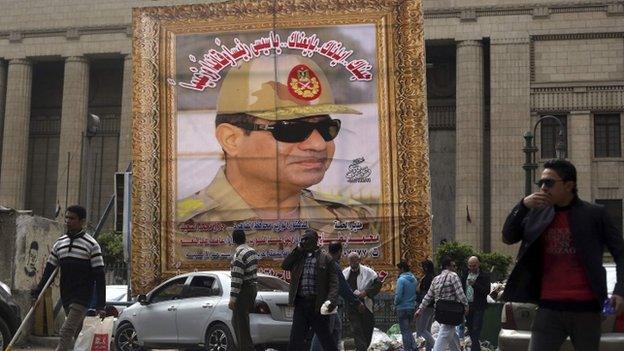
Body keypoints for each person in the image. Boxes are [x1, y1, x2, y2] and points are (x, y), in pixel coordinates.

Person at [176, 55, 374, 229]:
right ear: (232, 140)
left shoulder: (353, 219)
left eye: (327, 129)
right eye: (291, 129)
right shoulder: (176, 230)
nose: (319, 144)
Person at [502, 159, 624, 351]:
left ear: (569, 185)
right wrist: (523, 205)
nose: (543, 188)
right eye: (541, 183)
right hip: (549, 308)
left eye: (549, 183)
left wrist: (619, 290)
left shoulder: (595, 215)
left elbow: (621, 254)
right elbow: (508, 236)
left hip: (587, 309)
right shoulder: (537, 214)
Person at [31, 205, 106, 351]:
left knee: (66, 331)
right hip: (66, 295)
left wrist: (100, 305)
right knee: (77, 333)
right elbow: (49, 271)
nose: (68, 221)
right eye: (67, 217)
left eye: (72, 218)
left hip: (82, 296)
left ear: (82, 221)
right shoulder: (60, 243)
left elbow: (100, 276)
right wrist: (38, 292)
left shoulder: (92, 245)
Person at [282, 229, 339, 351]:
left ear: (315, 241)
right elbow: (285, 265)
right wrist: (297, 249)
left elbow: (334, 282)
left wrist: (330, 300)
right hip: (301, 304)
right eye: (303, 239)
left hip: (317, 305)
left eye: (307, 239)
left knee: (326, 339)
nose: (304, 242)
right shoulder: (299, 257)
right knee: (295, 339)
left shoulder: (325, 258)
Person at [310, 241, 365, 351]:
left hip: (321, 302)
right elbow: (343, 287)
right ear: (340, 251)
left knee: (336, 327)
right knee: (323, 333)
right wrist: (356, 302)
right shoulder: (333, 264)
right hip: (327, 303)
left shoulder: (321, 262)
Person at [415, 257, 468, 351]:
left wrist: (420, 309)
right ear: (448, 266)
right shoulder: (453, 276)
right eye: (454, 266)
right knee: (445, 332)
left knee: (450, 332)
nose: (455, 268)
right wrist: (466, 305)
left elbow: (428, 295)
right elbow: (460, 293)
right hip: (452, 310)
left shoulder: (436, 279)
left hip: (440, 311)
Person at [343, 252, 383, 351]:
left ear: (359, 260)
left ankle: (362, 348)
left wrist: (366, 292)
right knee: (357, 330)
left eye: (355, 260)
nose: (353, 262)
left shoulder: (369, 272)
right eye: (351, 260)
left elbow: (377, 284)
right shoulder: (345, 273)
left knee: (367, 329)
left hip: (366, 305)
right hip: (352, 306)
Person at [228, 229, 259, 351]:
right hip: (252, 288)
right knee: (241, 322)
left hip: (243, 290)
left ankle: (246, 348)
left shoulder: (239, 255)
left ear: (233, 240)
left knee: (239, 324)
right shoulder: (252, 251)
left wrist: (232, 299)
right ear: (245, 238)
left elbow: (237, 279)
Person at [461, 256, 490, 351]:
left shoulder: (484, 275)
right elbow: (461, 289)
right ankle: (476, 348)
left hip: (478, 306)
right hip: (468, 306)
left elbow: (487, 291)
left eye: (474, 265)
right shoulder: (465, 274)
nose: (472, 268)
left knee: (476, 328)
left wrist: (475, 285)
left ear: (478, 264)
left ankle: (475, 349)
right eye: (470, 266)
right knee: (469, 328)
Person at [394, 260, 418, 351]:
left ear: (402, 269)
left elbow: (398, 295)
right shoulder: (414, 279)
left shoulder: (401, 280)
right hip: (411, 307)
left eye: (398, 270)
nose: (398, 272)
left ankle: (408, 349)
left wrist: (395, 303)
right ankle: (414, 347)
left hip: (402, 308)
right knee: (408, 329)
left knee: (405, 331)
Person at [415, 259, 435, 351]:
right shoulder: (432, 277)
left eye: (422, 267)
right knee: (427, 329)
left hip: (425, 306)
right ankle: (429, 348)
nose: (421, 269)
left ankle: (436, 345)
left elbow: (425, 293)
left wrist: (421, 307)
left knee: (422, 330)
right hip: (431, 307)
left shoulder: (427, 278)